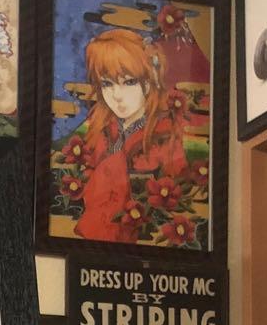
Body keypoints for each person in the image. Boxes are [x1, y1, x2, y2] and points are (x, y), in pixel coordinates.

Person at [72, 27, 188, 243]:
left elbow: (175, 190)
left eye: (129, 82)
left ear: (149, 81)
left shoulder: (165, 132)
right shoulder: (100, 125)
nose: (117, 95)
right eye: (107, 84)